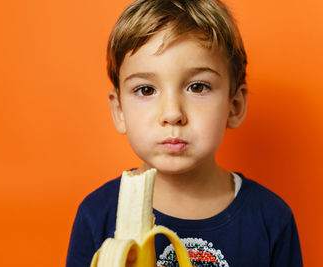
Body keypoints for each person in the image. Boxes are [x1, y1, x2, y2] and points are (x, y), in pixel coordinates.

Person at [66, 0, 303, 266]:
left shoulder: (272, 219)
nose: (172, 114)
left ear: (234, 106)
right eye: (146, 90)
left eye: (198, 87)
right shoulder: (96, 215)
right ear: (119, 110)